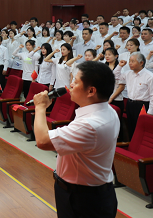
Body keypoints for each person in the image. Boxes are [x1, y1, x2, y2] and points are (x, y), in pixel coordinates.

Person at [33, 61, 120, 218]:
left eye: (76, 81)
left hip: (84, 199)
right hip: (91, 193)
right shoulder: (107, 111)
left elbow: (43, 141)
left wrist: (40, 107)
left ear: (91, 91)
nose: (71, 84)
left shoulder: (90, 125)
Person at [112, 52, 153, 138]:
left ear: (141, 63)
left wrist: (150, 113)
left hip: (143, 106)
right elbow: (115, 76)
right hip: (130, 104)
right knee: (130, 127)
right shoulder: (128, 73)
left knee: (140, 129)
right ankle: (131, 144)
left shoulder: (151, 76)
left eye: (133, 61)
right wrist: (120, 66)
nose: (130, 63)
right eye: (129, 61)